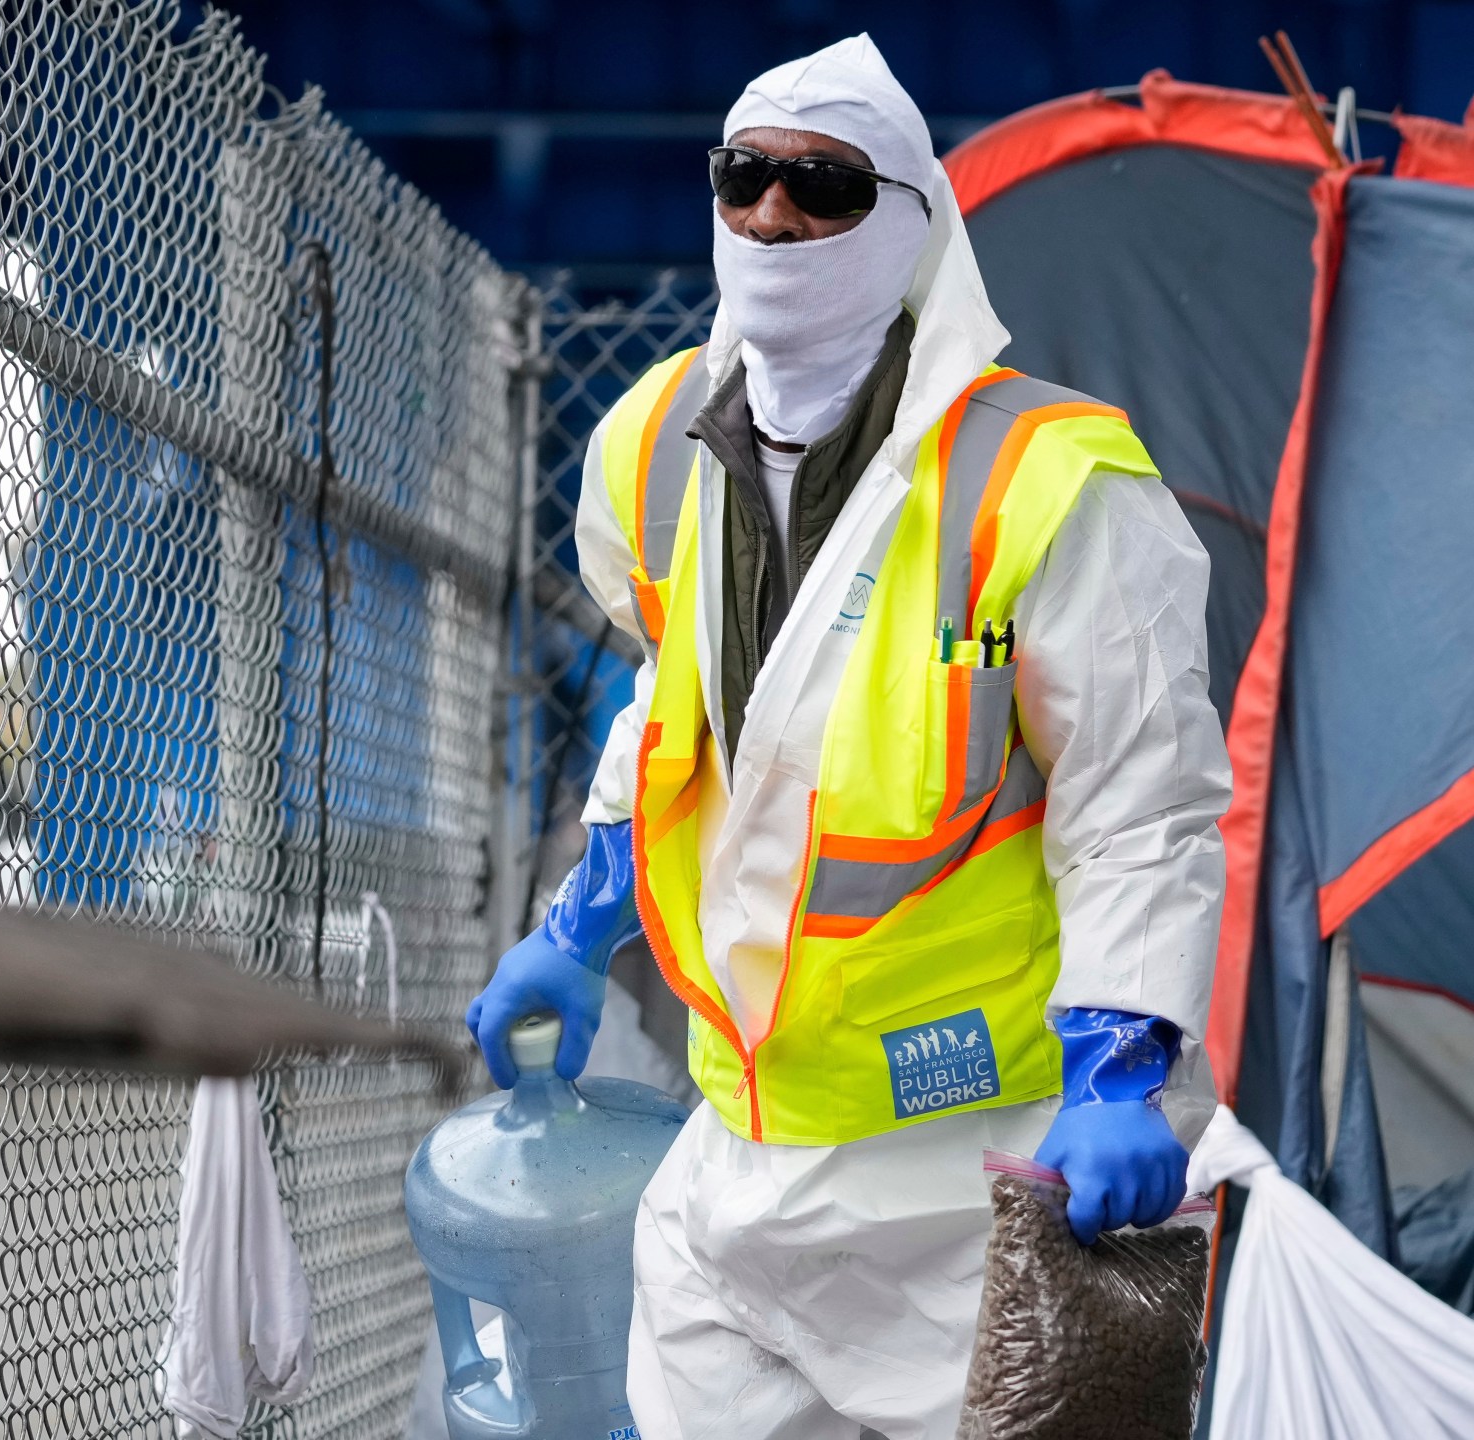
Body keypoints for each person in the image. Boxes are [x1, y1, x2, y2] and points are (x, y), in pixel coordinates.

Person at [465, 33, 1232, 1440]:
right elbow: (679, 717)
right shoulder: (651, 449)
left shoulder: (1049, 481)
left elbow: (1142, 802)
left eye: (822, 187)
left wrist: (1120, 1069)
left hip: (962, 1181)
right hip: (734, 1158)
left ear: (908, 225)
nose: (771, 215)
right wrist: (581, 923)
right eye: (743, 176)